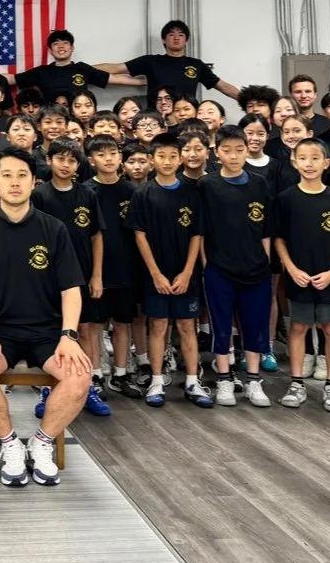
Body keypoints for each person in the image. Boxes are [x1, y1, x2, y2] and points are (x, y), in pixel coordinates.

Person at [0, 147, 90, 487]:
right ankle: (10, 445)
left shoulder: (54, 229)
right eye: (7, 175)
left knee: (79, 375)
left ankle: (41, 442)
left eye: (22, 175)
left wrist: (68, 335)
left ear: (34, 182)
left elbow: (71, 289)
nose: (15, 182)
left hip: (47, 331)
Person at [274, 139, 330, 413]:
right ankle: (296, 382)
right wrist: (291, 269)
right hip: (299, 277)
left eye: (315, 158)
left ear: (326, 163)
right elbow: (279, 239)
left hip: (328, 278)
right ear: (294, 162)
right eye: (303, 158)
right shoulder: (286, 199)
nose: (309, 164)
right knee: (298, 327)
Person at [129, 133, 209, 408]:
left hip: (185, 274)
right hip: (156, 274)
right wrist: (156, 274)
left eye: (172, 156)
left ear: (180, 158)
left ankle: (191, 380)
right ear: (152, 160)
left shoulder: (192, 192)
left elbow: (197, 235)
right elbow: (139, 236)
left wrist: (188, 272)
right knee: (158, 325)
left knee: (188, 325)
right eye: (161, 156)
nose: (167, 161)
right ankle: (156, 379)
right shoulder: (142, 194)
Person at [31, 138, 109, 416]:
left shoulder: (87, 194)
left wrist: (97, 275)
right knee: (54, 334)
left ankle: (87, 388)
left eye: (72, 160)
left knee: (86, 330)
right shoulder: (39, 196)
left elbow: (97, 235)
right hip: (49, 279)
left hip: (83, 275)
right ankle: (48, 389)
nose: (66, 165)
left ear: (79, 165)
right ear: (49, 160)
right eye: (60, 159)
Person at [198, 125, 274, 408]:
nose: (233, 155)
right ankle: (224, 378)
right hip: (219, 268)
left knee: (254, 324)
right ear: (216, 153)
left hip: (256, 268)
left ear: (248, 150)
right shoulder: (208, 185)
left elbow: (266, 229)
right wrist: (208, 266)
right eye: (227, 150)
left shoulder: (260, 183)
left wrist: (265, 261)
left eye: (239, 150)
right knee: (221, 325)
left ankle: (253, 379)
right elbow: (202, 231)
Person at [85, 135, 144, 397]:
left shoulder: (132, 191)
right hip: (95, 269)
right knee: (95, 325)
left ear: (120, 157)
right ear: (90, 160)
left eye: (112, 153)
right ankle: (95, 373)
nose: (108, 159)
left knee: (123, 323)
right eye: (101, 154)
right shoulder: (86, 190)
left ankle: (120, 374)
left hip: (126, 268)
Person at [97, 20, 240, 101]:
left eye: (181, 35)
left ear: (186, 40)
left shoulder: (196, 65)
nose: (176, 38)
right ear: (164, 40)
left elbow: (223, 86)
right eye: (171, 34)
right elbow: (116, 68)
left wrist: (248, 101)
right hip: (157, 120)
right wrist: (81, 69)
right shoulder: (150, 61)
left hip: (187, 119)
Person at [13, 29, 134, 101]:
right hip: (51, 122)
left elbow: (115, 78)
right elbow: (11, 78)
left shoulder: (82, 68)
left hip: (79, 121)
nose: (61, 46)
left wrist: (145, 81)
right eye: (56, 44)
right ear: (50, 50)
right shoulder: (41, 72)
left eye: (65, 43)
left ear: (72, 49)